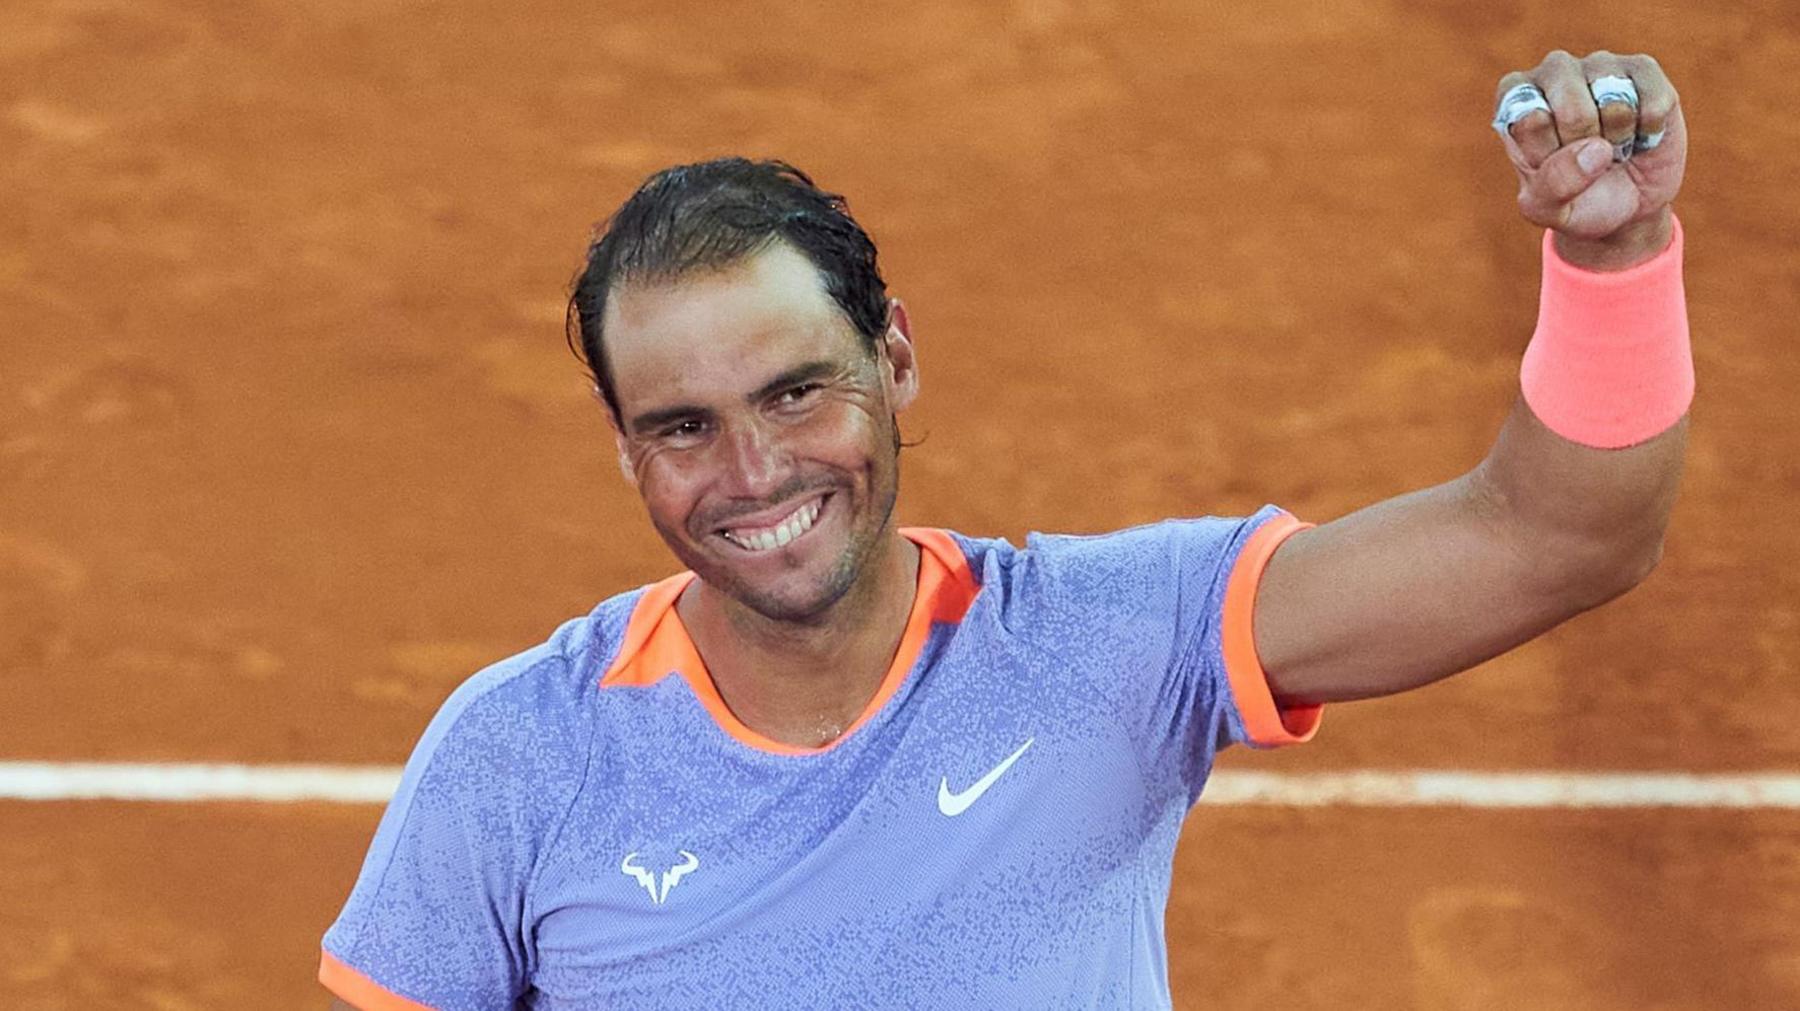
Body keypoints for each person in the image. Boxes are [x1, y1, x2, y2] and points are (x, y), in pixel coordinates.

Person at [320, 48, 1690, 1010]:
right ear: (627, 451)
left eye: (799, 392)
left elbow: (1557, 536)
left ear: (896, 360)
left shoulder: (1109, 647)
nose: (752, 473)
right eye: (683, 427)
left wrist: (1613, 267)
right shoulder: (517, 757)